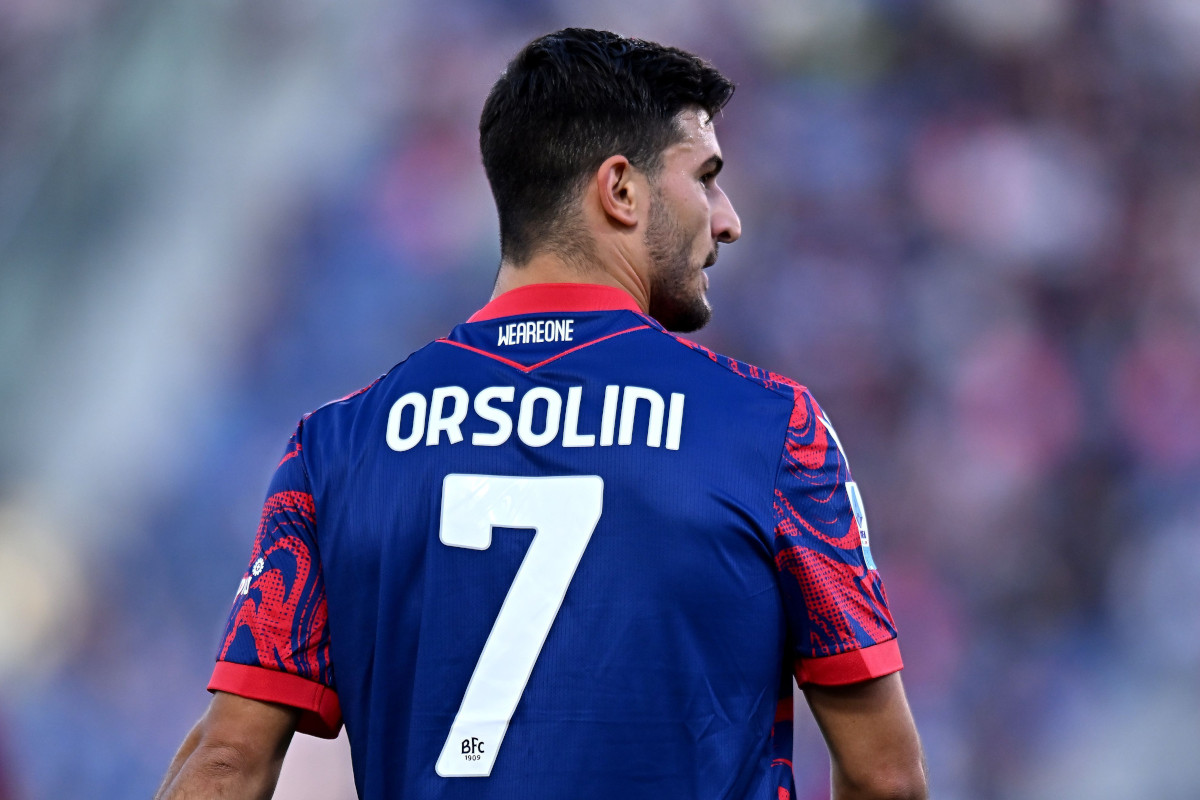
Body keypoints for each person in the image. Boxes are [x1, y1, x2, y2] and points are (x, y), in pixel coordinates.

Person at [155, 28, 927, 800]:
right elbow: (883, 776)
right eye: (707, 178)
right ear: (620, 190)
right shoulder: (769, 431)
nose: (727, 220)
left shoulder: (335, 450)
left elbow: (228, 762)